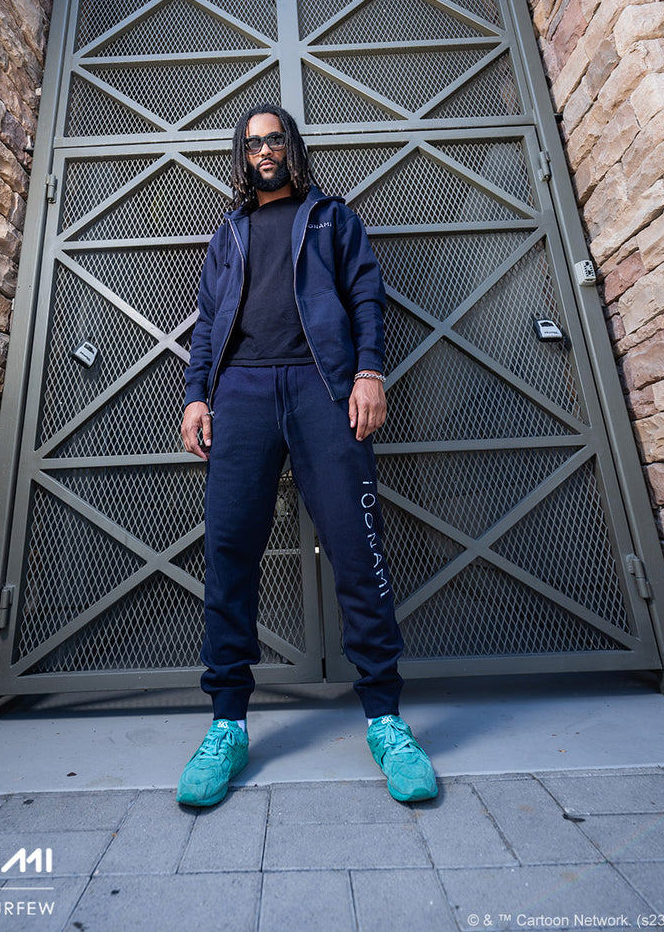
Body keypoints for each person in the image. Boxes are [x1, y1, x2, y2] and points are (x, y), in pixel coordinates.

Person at [177, 104, 437, 808]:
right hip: (242, 394)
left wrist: (368, 372)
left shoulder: (332, 219)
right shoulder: (228, 232)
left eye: (274, 139)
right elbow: (208, 323)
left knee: (357, 547)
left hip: (324, 389)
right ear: (242, 156)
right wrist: (197, 395)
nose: (263, 151)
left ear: (291, 147)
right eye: (251, 144)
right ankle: (227, 724)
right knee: (229, 550)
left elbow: (366, 299)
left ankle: (385, 719)